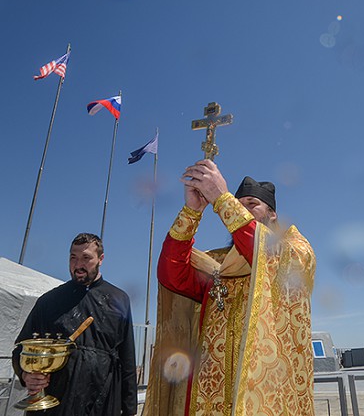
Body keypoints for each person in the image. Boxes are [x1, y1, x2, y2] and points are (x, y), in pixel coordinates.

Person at [144, 159, 316, 416]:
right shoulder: (219, 263)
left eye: (252, 204)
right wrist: (192, 212)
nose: (242, 208)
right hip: (209, 396)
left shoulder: (295, 250)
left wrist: (223, 199)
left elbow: (264, 250)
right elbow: (172, 275)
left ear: (272, 213)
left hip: (264, 397)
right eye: (240, 203)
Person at [12, 233, 138, 415]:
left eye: (86, 258)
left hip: (100, 404)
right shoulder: (48, 302)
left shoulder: (119, 300)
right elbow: (21, 349)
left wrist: (129, 409)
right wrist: (26, 375)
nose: (78, 265)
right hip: (54, 405)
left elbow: (127, 359)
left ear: (101, 259)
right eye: (73, 257)